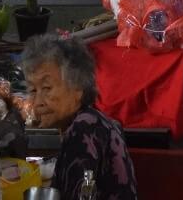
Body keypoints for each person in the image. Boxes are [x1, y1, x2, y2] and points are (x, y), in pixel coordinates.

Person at [21, 35, 137, 199]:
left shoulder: (83, 131)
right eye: (33, 90)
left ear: (78, 88)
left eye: (47, 88)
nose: (38, 102)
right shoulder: (92, 121)